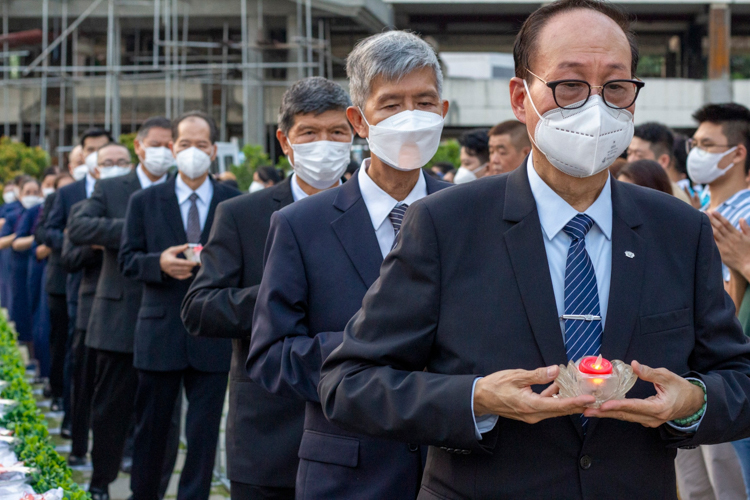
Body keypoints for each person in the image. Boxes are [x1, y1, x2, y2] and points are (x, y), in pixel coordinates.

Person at [318, 2, 750, 499]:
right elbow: (349, 382)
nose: (595, 106)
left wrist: (692, 402)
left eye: (615, 87)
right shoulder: (445, 223)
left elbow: (737, 380)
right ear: (520, 98)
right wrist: (476, 398)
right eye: (569, 85)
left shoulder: (678, 229)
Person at [247, 31, 452, 500]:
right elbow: (271, 355)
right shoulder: (301, 225)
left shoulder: (472, 212)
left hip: (454, 466)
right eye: (391, 105)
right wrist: (370, 351)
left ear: (442, 113)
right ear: (359, 120)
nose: (410, 118)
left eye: (423, 102)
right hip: (348, 471)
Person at [182, 76, 352, 500]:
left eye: (337, 132)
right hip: (269, 432)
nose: (324, 144)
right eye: (309, 133)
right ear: (285, 140)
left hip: (357, 428)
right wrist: (282, 293)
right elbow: (200, 307)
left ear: (356, 132)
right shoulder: (241, 214)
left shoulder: (382, 211)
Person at [120, 111, 240, 500]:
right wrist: (158, 263)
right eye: (184, 144)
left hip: (213, 335)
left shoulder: (233, 203)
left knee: (204, 437)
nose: (192, 152)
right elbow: (126, 258)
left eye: (200, 145)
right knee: (152, 431)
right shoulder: (144, 199)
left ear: (214, 150)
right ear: (172, 148)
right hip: (159, 330)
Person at [67, 118, 177, 500]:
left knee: (162, 417)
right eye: (157, 143)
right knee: (110, 410)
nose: (164, 150)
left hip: (169, 317)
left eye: (170, 144)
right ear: (139, 145)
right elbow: (79, 228)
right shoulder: (113, 187)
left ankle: (150, 490)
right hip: (119, 316)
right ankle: (101, 481)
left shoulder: (181, 189)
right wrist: (132, 230)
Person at [688, 103, 750, 500]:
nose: (697, 153)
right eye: (695, 143)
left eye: (708, 144)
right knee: (701, 488)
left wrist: (742, 263)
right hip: (699, 371)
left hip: (730, 372)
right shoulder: (698, 215)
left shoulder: (741, 216)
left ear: (738, 152)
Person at [44, 128, 107, 441]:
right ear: (83, 154)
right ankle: (73, 418)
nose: (97, 154)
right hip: (77, 287)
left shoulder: (127, 191)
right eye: (91, 149)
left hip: (115, 290)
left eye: (103, 148)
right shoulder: (68, 194)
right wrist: (80, 240)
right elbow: (52, 231)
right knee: (76, 357)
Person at [35, 173, 74, 410]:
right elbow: (42, 233)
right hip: (59, 278)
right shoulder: (55, 200)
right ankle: (58, 390)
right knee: (59, 340)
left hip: (89, 279)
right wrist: (71, 238)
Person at [626, 122, 691, 203]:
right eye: (629, 153)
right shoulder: (628, 190)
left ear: (663, 161)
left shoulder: (674, 200)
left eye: (639, 155)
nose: (631, 160)